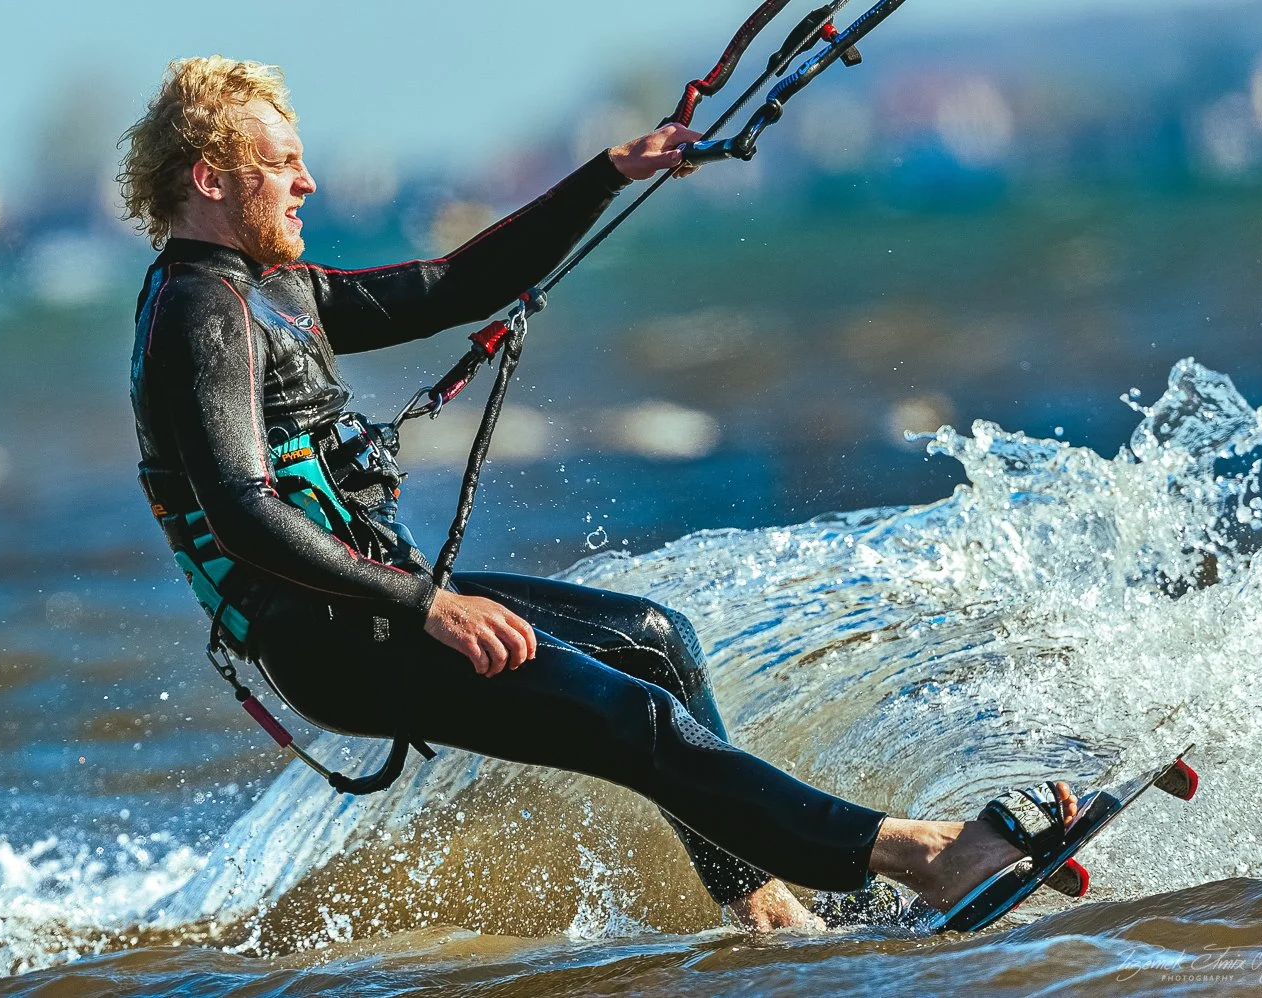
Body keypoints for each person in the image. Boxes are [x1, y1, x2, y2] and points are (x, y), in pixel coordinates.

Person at [122, 56, 1079, 933]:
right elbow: (245, 514)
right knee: (627, 721)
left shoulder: (272, 290)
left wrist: (610, 172)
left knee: (653, 643)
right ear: (211, 177)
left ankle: (773, 908)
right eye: (282, 162)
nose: (307, 181)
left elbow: (456, 282)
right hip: (334, 636)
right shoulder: (201, 311)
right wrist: (431, 603)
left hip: (372, 603)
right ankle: (928, 856)